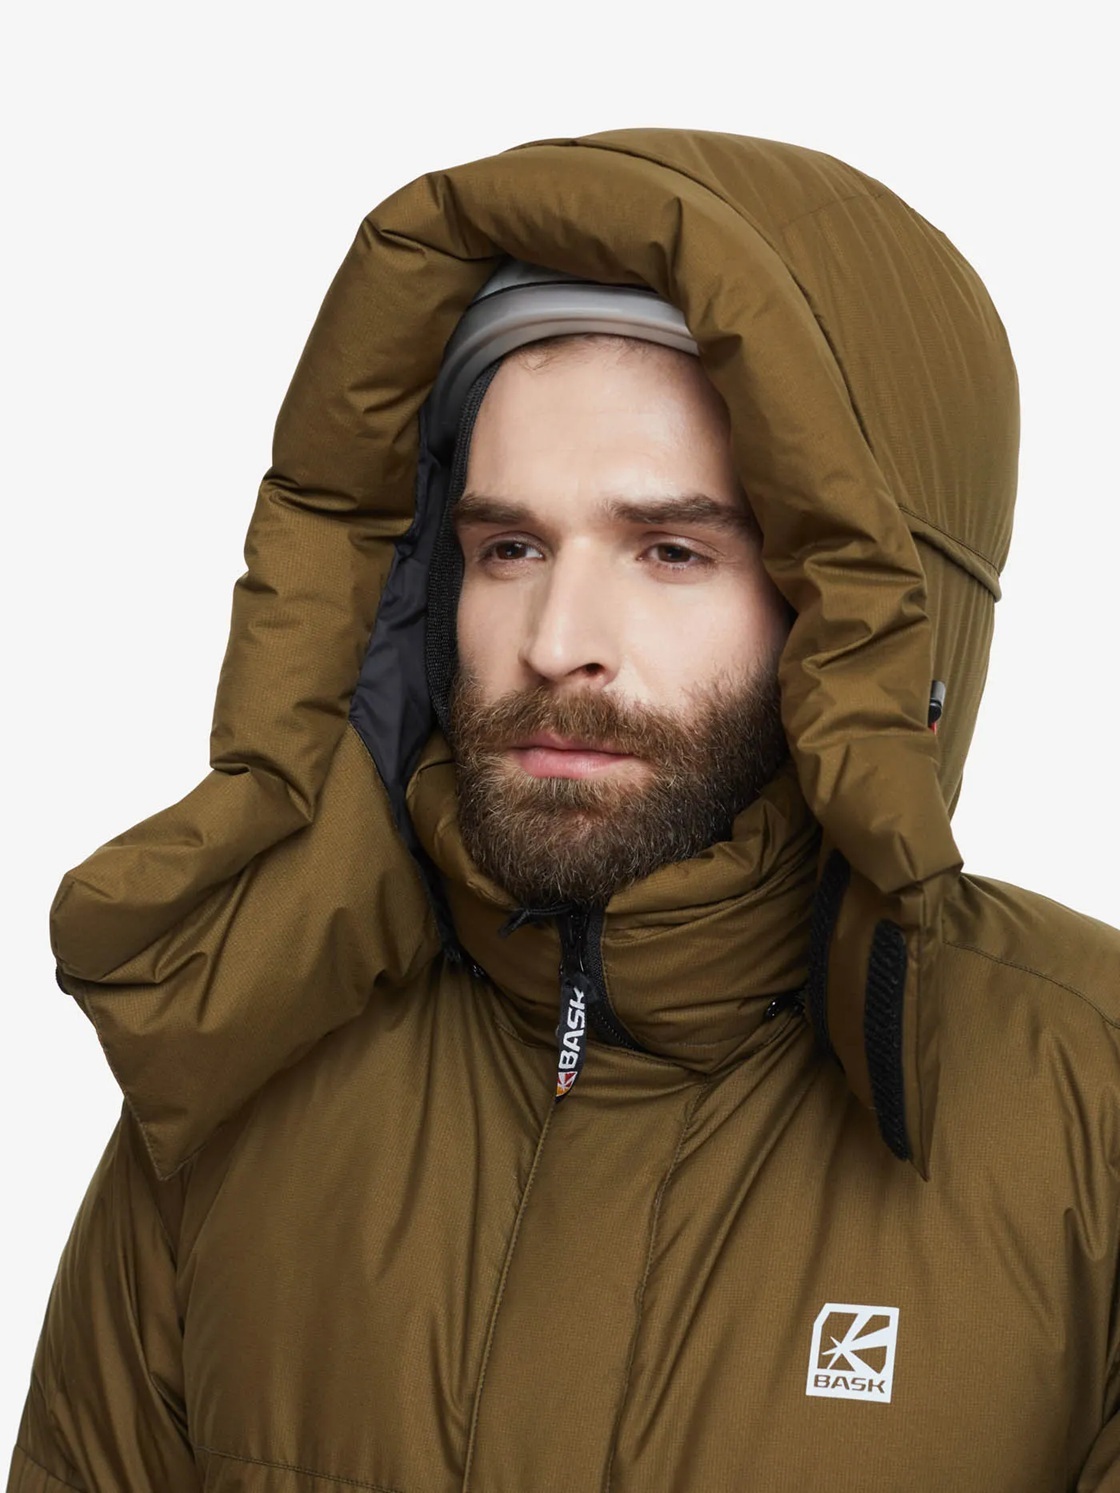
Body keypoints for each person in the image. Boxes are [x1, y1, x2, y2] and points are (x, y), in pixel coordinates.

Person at [8, 128, 1120, 1493]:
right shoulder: (245, 1075)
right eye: (508, 547)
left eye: (671, 550)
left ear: (877, 620)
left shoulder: (1089, 1108)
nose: (554, 639)